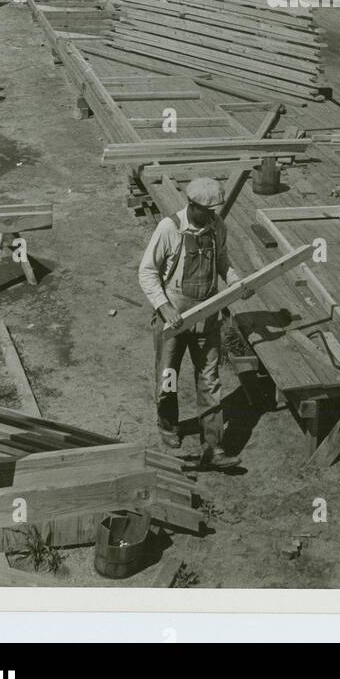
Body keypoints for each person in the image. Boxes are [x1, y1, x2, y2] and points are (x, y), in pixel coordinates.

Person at [138, 177, 249, 468]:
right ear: (192, 205)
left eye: (215, 210)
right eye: (207, 210)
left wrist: (236, 282)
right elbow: (147, 271)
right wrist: (164, 306)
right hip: (173, 318)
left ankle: (213, 447)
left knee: (209, 380)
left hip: (207, 317)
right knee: (168, 376)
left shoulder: (217, 228)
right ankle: (168, 424)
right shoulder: (170, 228)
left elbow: (222, 260)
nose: (212, 215)